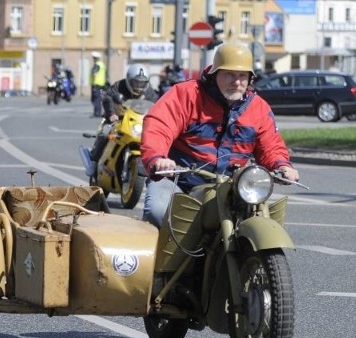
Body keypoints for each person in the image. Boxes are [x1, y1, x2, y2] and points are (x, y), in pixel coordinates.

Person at [140, 42, 300, 227]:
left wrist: (282, 165)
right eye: (229, 75)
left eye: (242, 75)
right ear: (215, 74)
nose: (237, 82)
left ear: (250, 79)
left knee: (258, 216)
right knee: (158, 212)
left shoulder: (258, 108)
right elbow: (159, 126)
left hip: (232, 186)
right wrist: (158, 158)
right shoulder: (187, 95)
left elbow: (271, 146)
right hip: (179, 179)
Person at [83, 63, 159, 176]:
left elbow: (156, 105)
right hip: (117, 119)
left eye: (142, 83)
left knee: (154, 137)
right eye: (135, 82)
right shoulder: (119, 86)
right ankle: (94, 162)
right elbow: (108, 97)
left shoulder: (149, 92)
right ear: (128, 79)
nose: (138, 85)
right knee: (105, 133)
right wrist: (111, 113)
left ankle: (153, 166)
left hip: (138, 121)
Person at [89, 51, 107, 118]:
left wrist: (94, 73)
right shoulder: (102, 64)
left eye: (93, 58)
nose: (93, 59)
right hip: (101, 84)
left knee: (95, 99)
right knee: (98, 99)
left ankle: (97, 113)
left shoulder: (97, 65)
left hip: (96, 84)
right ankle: (97, 112)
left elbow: (95, 72)